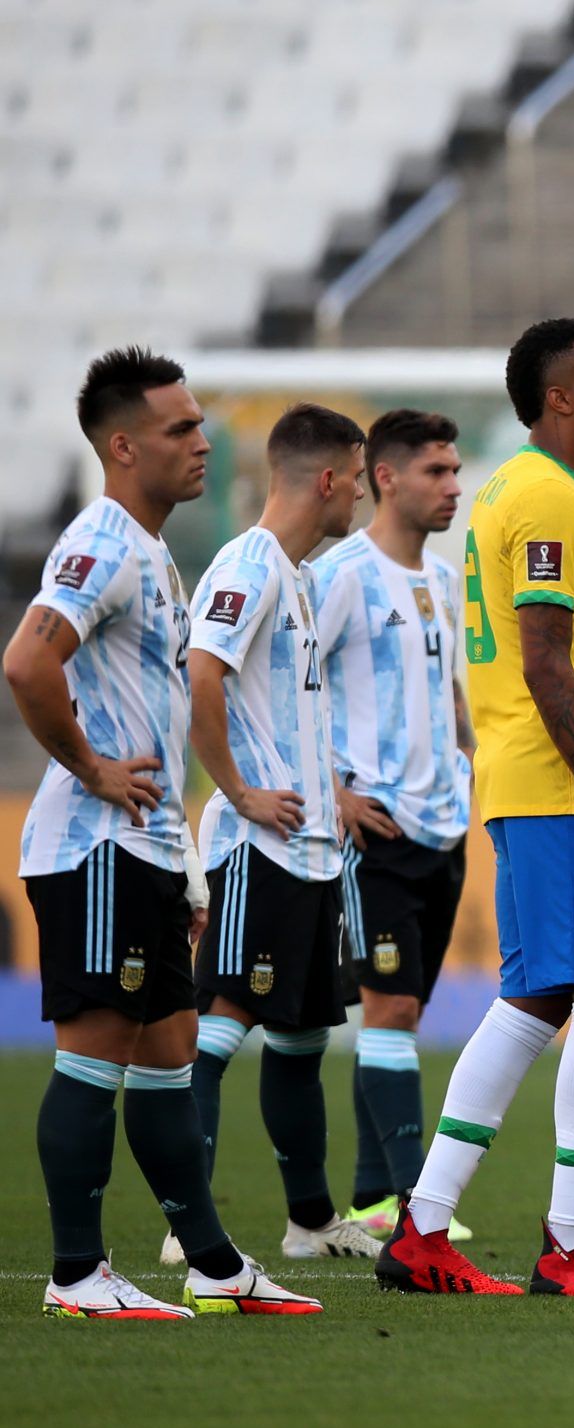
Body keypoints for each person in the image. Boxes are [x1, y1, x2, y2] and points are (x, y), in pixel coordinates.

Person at [7, 348, 317, 1316]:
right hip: (96, 847)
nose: (201, 442)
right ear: (122, 445)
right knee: (94, 1060)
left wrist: (181, 865)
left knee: (171, 1058)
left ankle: (215, 1265)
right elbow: (26, 663)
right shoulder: (102, 542)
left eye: (199, 424)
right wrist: (93, 768)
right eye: (179, 428)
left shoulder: (150, 550)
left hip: (144, 849)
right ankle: (75, 1274)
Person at [377, 318, 574, 1296]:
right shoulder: (545, 496)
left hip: (527, 781)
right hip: (560, 788)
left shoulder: (510, 488)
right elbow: (546, 662)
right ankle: (566, 1246)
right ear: (560, 398)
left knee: (544, 997)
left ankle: (426, 1228)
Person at [185, 403, 379, 1264]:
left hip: (310, 851)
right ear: (328, 479)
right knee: (219, 1028)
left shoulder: (296, 577)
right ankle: (188, 1227)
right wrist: (240, 793)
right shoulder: (249, 564)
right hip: (258, 848)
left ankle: (309, 1223)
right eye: (358, 479)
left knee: (300, 1040)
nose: (361, 498)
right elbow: (202, 672)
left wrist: (328, 795)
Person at [308, 410, 476, 1242]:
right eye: (436, 472)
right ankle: (416, 1209)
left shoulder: (442, 579)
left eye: (455, 471)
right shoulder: (339, 573)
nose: (453, 487)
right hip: (375, 827)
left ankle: (374, 1200)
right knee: (392, 1008)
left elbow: (449, 690)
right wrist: (332, 791)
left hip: (443, 826)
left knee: (400, 1014)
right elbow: (286, 680)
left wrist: (469, 758)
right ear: (386, 477)